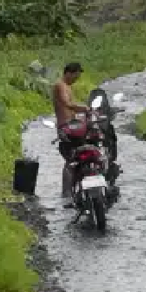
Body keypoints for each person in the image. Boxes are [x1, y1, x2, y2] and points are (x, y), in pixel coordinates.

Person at [51, 62, 87, 204]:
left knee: (78, 155)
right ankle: (66, 193)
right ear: (69, 73)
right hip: (65, 127)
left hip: (72, 125)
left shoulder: (67, 86)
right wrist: (84, 109)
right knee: (71, 159)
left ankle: (75, 187)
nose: (76, 80)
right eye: (76, 76)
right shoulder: (60, 86)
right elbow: (67, 104)